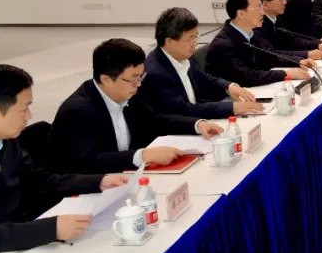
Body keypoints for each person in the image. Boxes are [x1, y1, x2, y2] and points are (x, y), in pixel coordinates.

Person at [0, 64, 129, 253]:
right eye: (23, 109)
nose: (29, 117)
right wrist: (50, 229)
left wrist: (97, 181)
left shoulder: (7, 142)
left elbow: (39, 180)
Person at [48, 39, 224, 174]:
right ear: (106, 79)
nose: (138, 85)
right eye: (133, 79)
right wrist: (142, 156)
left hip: (128, 176)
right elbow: (89, 162)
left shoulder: (127, 92)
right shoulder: (77, 112)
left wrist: (196, 125)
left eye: (140, 77)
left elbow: (155, 120)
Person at [138, 7, 263, 119]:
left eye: (196, 37)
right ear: (169, 41)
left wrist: (229, 87)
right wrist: (231, 108)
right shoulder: (156, 73)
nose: (195, 43)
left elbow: (204, 78)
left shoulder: (184, 56)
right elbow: (183, 109)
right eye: (190, 39)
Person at [205, 0, 313, 87]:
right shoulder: (223, 44)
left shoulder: (250, 34)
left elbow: (269, 56)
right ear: (241, 14)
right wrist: (285, 73)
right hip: (227, 98)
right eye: (258, 8)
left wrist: (298, 61)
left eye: (261, 7)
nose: (262, 12)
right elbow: (247, 76)